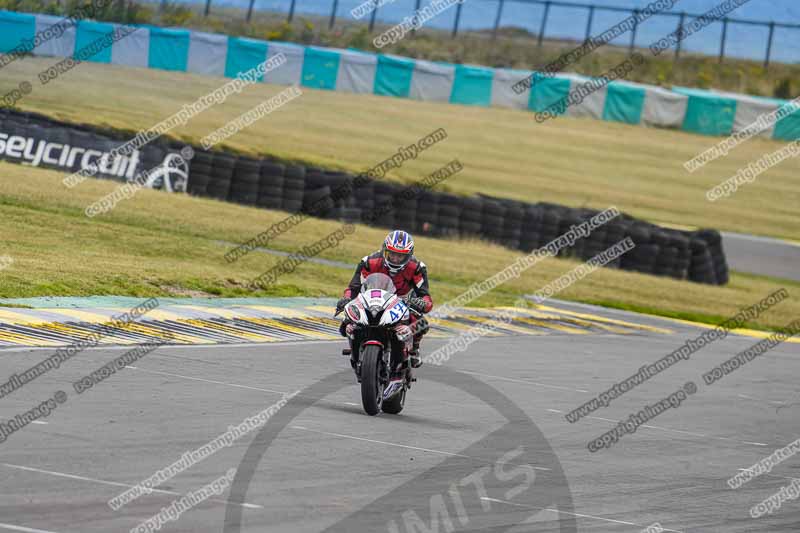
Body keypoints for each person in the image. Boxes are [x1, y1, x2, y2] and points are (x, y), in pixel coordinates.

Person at [336, 230, 433, 383]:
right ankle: (355, 354)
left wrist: (422, 304)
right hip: (372, 298)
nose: (395, 258)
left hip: (402, 302)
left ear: (408, 256)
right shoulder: (369, 262)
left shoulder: (417, 267)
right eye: (391, 254)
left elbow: (425, 296)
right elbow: (353, 287)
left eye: (400, 255)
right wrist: (346, 300)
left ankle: (414, 348)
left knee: (422, 323)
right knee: (346, 322)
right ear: (384, 250)